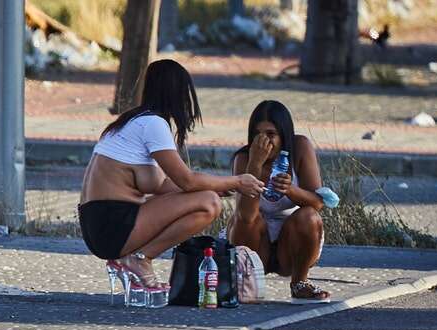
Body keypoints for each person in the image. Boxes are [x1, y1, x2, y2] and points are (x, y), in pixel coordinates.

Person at [79, 59, 265, 293]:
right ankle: (140, 259)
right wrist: (237, 181)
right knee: (209, 204)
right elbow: (186, 180)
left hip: (98, 224)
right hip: (113, 224)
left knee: (207, 195)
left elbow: (161, 184)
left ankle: (136, 258)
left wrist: (216, 185)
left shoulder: (132, 122)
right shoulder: (153, 124)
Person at [228, 100, 331, 302]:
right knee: (248, 219)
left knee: (309, 216)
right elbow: (246, 216)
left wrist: (291, 190)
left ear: (284, 136)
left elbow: (317, 203)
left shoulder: (300, 147)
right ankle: (246, 282)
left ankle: (300, 282)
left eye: (271, 134)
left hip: (291, 239)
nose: (264, 141)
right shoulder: (244, 159)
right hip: (255, 239)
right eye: (258, 134)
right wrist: (255, 166)